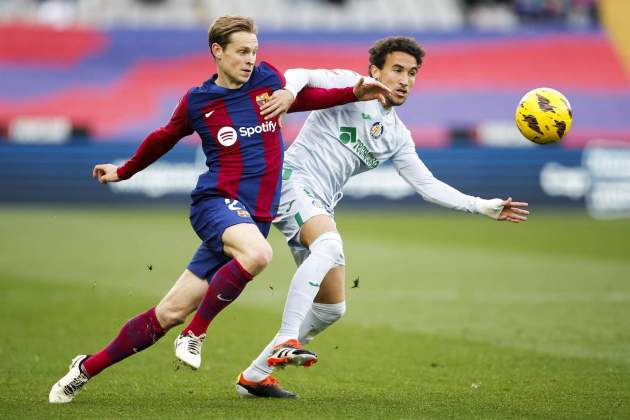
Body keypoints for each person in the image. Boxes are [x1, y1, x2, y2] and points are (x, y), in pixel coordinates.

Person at [48, 15, 391, 404]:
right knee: (259, 255)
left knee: (168, 312)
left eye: (254, 51)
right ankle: (195, 334)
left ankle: (85, 368)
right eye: (242, 52)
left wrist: (354, 91)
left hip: (252, 218)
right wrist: (124, 170)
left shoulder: (266, 82)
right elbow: (164, 137)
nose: (250, 59)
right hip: (216, 203)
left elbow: (306, 98)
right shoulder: (199, 102)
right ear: (218, 51)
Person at [235, 36, 530, 398]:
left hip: (320, 203)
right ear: (375, 70)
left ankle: (255, 376)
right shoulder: (348, 84)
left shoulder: (396, 134)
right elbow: (301, 73)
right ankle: (286, 338)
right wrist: (288, 94)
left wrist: (481, 205)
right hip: (291, 181)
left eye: (412, 73)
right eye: (397, 70)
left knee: (331, 309)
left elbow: (427, 185)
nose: (405, 79)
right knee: (328, 245)